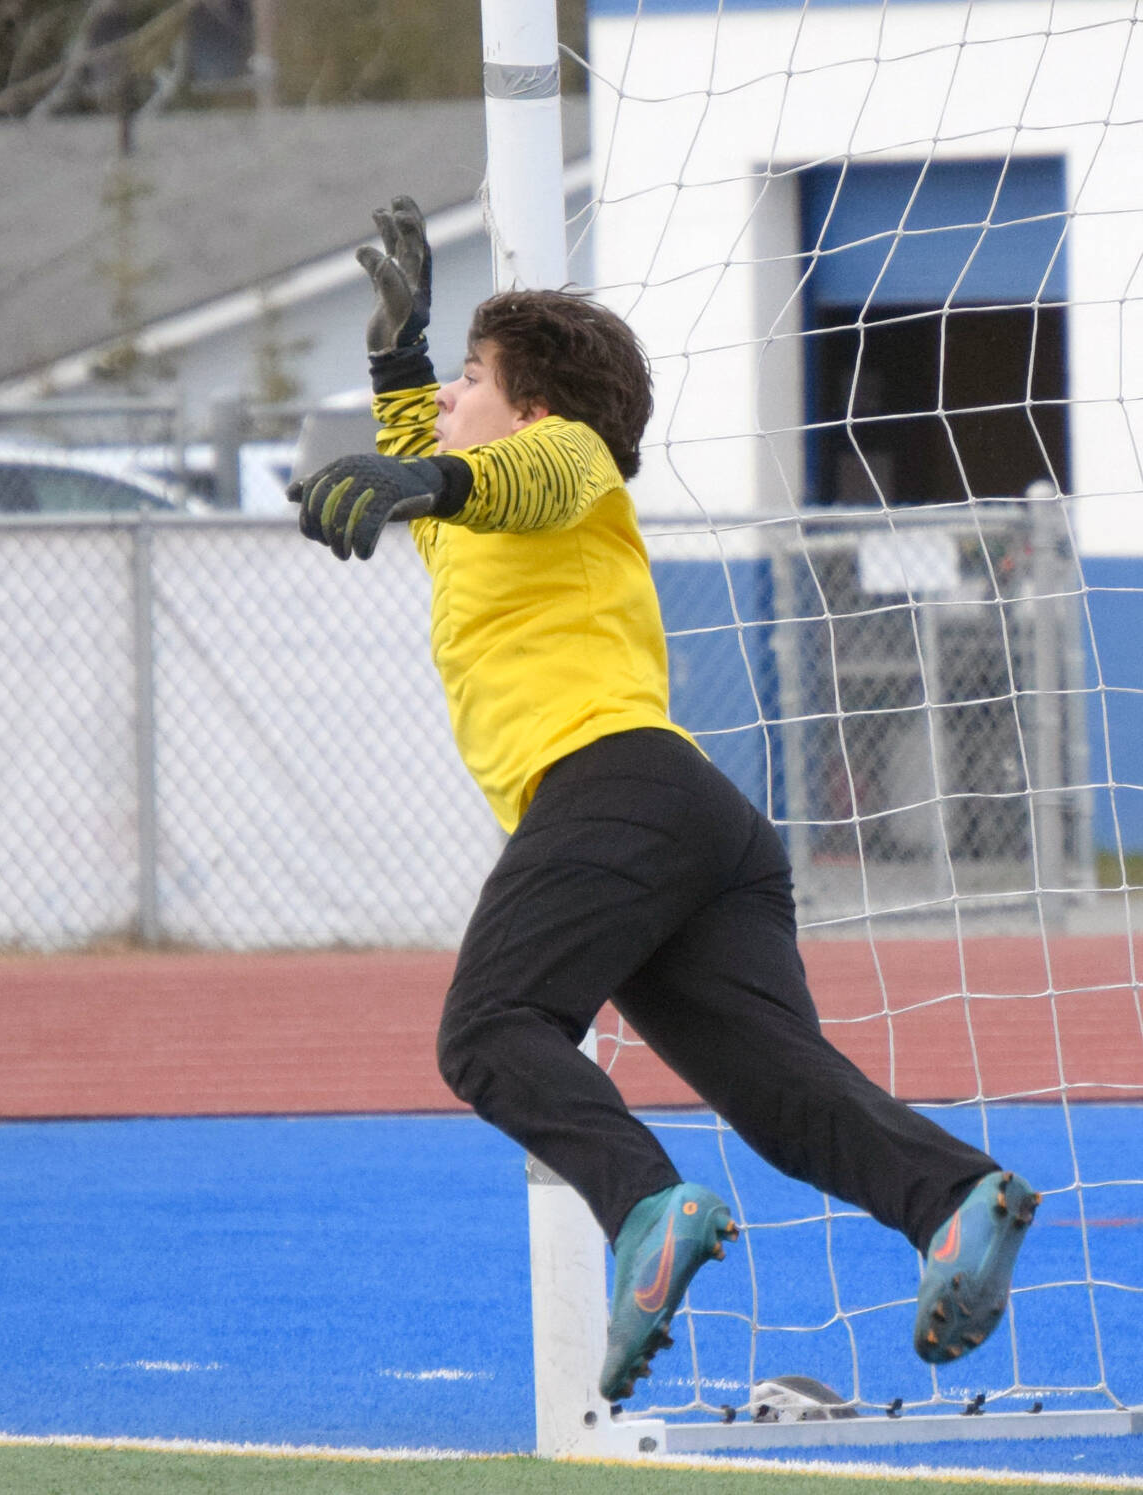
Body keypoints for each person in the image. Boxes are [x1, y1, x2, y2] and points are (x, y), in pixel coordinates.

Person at [288, 196, 1038, 1403]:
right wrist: (398, 359)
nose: (447, 400)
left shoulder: (565, 464)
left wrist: (420, 465)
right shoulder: (464, 520)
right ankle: (953, 1197)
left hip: (611, 792)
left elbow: (520, 469)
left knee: (486, 1032)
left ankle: (643, 1205)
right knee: (781, 1096)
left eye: (469, 377)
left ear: (527, 404)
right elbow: (443, 474)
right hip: (695, 825)